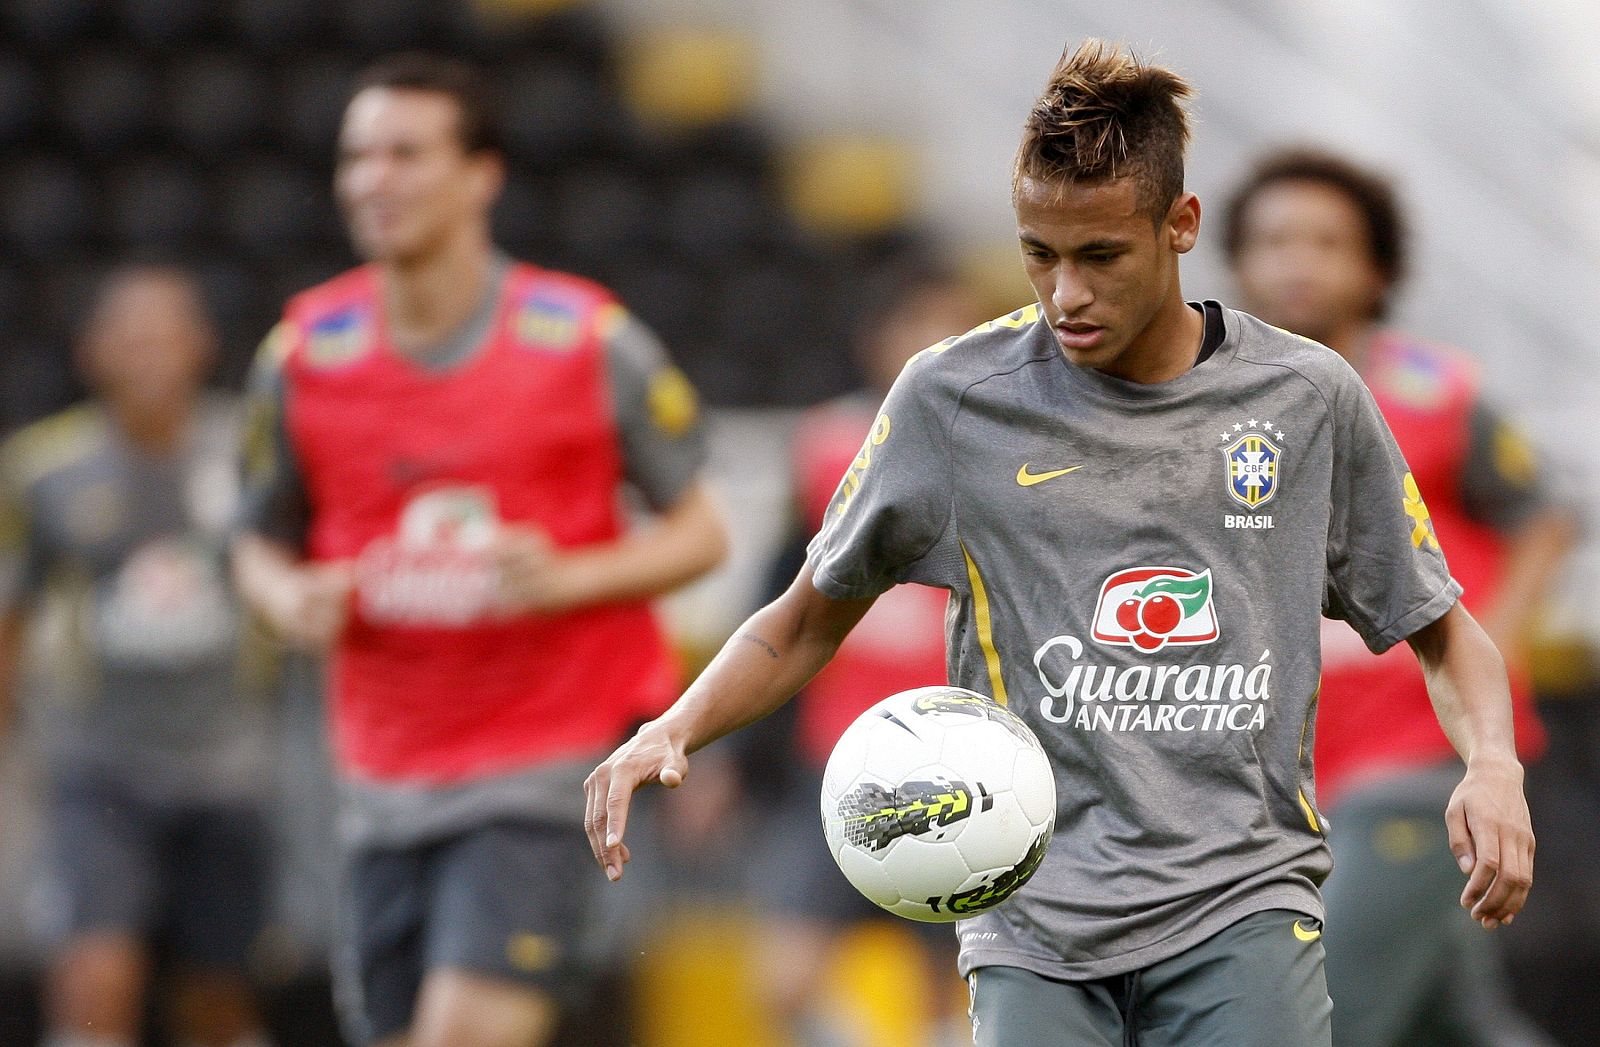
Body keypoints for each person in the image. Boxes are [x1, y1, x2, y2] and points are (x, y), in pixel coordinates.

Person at [585, 39, 1536, 1047]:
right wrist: (674, 726)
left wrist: (1492, 767)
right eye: (1039, 254)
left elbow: (1440, 628)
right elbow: (803, 620)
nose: (1065, 293)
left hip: (1242, 906)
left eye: (1100, 256)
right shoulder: (955, 400)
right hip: (1030, 915)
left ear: (1179, 227)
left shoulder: (1304, 399)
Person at [231, 54, 727, 1047]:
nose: (375, 177)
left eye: (406, 152)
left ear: (480, 175)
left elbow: (703, 531)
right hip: (377, 779)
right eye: (357, 156)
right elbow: (256, 540)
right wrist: (286, 600)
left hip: (541, 769)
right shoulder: (303, 356)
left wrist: (573, 575)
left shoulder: (585, 341)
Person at [1223, 147, 1574, 1047]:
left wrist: (1493, 643)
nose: (1298, 260)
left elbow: (1544, 517)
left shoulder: (1435, 391)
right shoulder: (1212, 404)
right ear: (1235, 261)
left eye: (1327, 241)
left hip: (1422, 761)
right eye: (1275, 240)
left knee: (1318, 1018)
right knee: (1453, 1024)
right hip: (1300, 775)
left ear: (1376, 267)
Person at [0, 266, 273, 1047]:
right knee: (94, 981)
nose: (149, 354)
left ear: (202, 345)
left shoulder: (251, 450)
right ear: (93, 353)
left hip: (227, 764)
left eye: (166, 333)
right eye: (131, 336)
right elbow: (9, 615)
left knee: (217, 999)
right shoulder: (43, 467)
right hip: (98, 764)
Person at [748, 260, 985, 1046]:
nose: (931, 345)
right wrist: (726, 751)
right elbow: (778, 597)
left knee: (951, 983)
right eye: (914, 325)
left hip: (966, 753)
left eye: (951, 327)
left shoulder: (1013, 450)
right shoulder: (825, 444)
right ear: (875, 340)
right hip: (838, 753)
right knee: (781, 978)